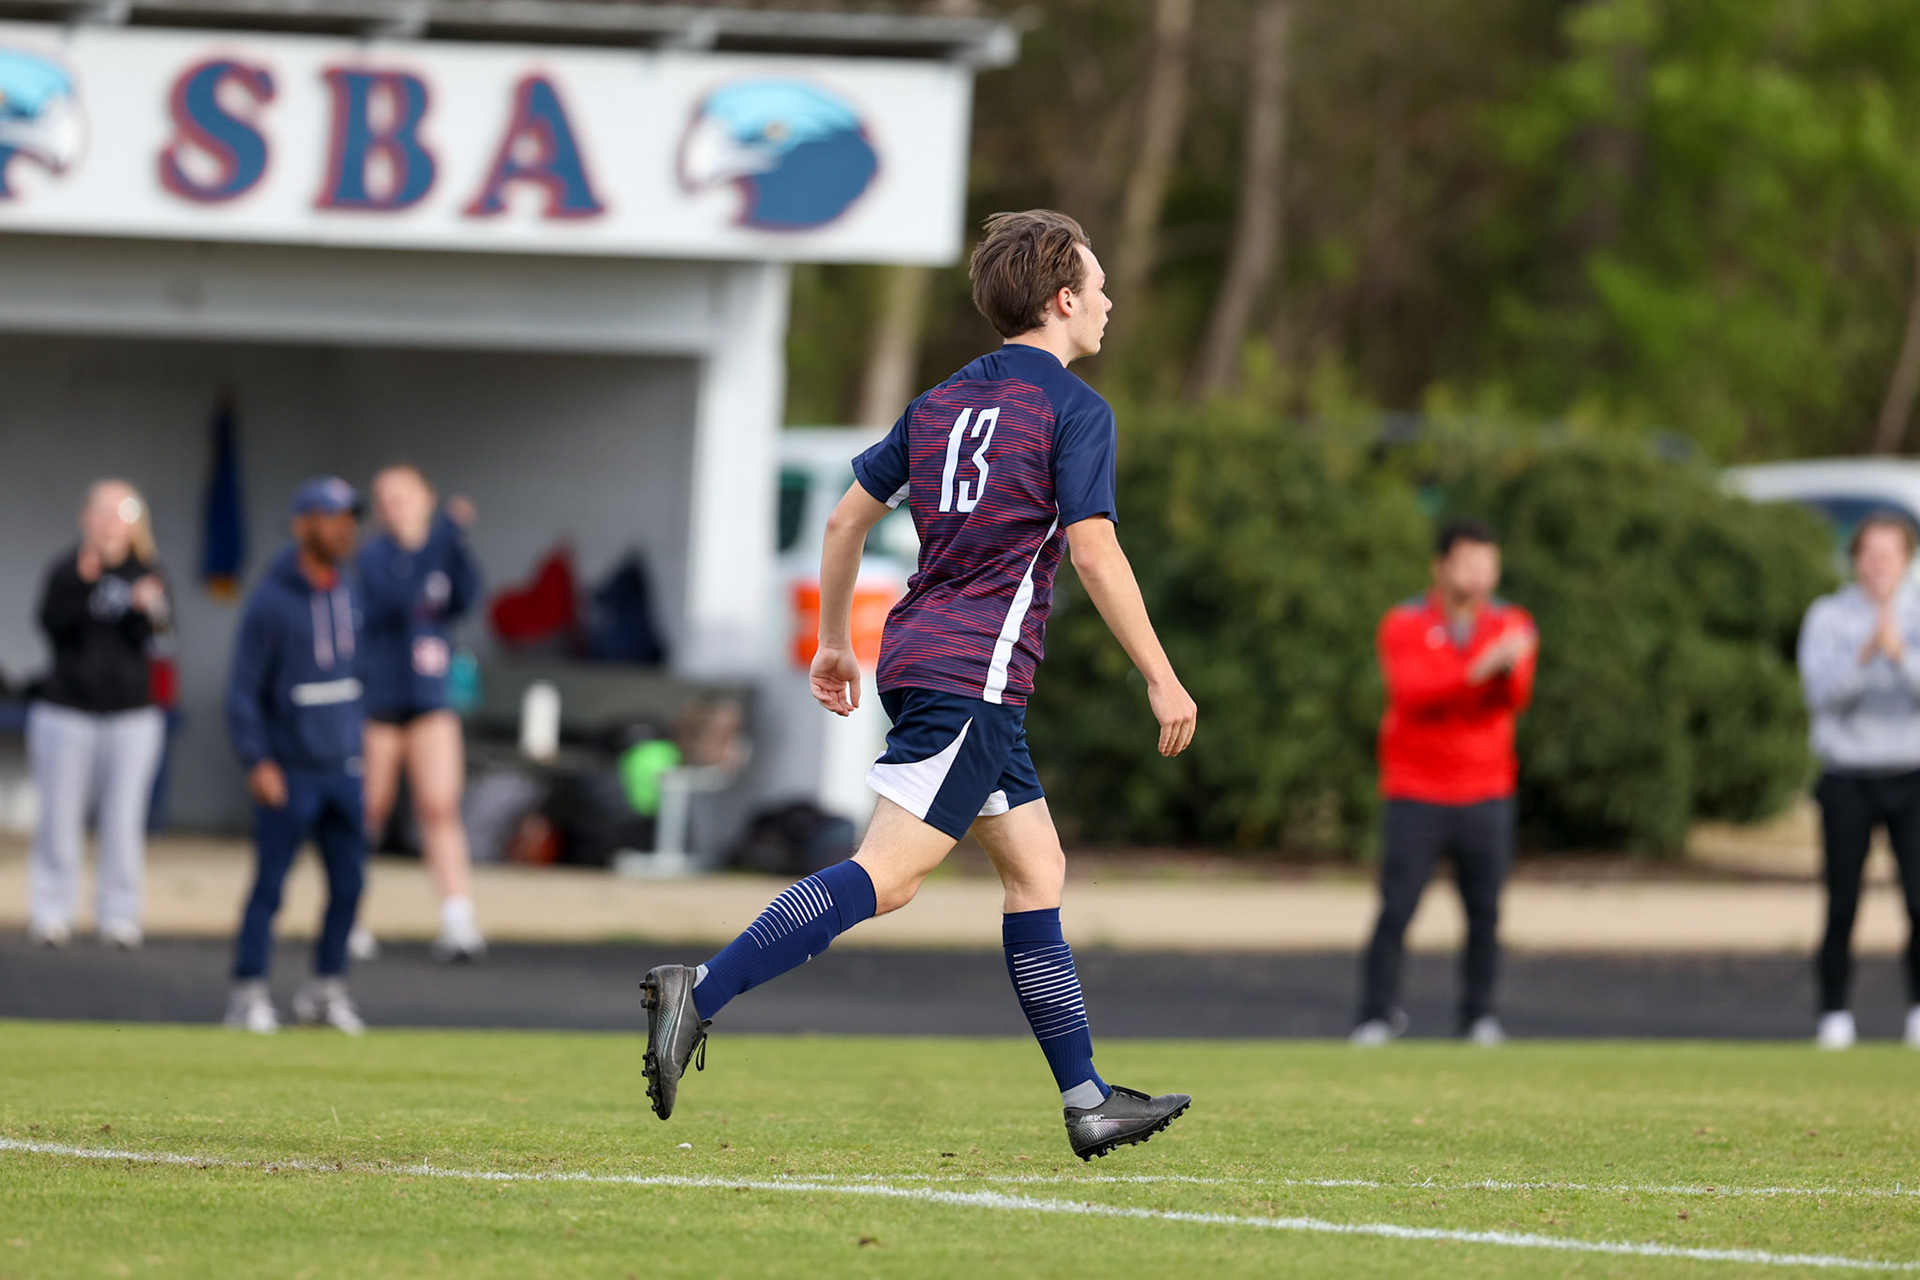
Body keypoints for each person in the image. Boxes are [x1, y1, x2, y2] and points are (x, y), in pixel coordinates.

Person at [639, 210, 1199, 1162]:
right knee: (887, 879)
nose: (1108, 303)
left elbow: (844, 523)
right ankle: (703, 986)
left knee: (1037, 872)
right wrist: (1163, 677)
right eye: (1099, 288)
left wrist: (832, 645)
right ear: (1064, 301)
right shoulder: (1074, 410)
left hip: (922, 660)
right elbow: (1095, 551)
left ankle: (1089, 1099)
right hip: (973, 676)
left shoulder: (941, 401)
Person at [1354, 519, 1537, 1048]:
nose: (1480, 574)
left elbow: (1516, 695)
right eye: (1468, 561)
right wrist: (1479, 668)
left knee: (1485, 913)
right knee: (1397, 908)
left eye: (1488, 561)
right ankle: (1375, 1016)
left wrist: (1500, 669)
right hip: (1416, 790)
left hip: (1487, 791)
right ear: (1441, 566)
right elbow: (1415, 693)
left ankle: (1479, 1017)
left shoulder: (1512, 621)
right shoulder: (1405, 622)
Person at [223, 477, 370, 1035]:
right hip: (290, 769)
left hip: (343, 768)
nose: (344, 527)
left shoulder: (350, 591)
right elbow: (243, 688)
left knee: (350, 885)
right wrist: (257, 759)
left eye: (349, 516)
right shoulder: (271, 600)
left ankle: (326, 990)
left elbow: (360, 680)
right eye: (332, 516)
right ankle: (247, 991)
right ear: (302, 523)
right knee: (271, 885)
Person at [26, 479, 170, 949]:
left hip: (130, 715)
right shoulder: (67, 569)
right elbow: (49, 625)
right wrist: (83, 582)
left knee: (123, 820)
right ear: (86, 518)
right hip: (67, 710)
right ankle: (52, 912)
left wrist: (148, 608)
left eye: (121, 513)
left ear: (134, 524)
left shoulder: (146, 572)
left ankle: (118, 914)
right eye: (102, 512)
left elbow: (163, 640)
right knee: (59, 819)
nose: (110, 522)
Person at [1796, 510, 1920, 1051]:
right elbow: (1819, 695)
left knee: (1919, 902)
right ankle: (1834, 1015)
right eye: (1869, 555)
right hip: (1846, 776)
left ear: (1907, 560)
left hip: (1912, 774)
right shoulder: (1828, 616)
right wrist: (1865, 656)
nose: (1878, 566)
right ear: (1854, 560)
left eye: (1889, 555)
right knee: (1842, 902)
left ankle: (1917, 1012)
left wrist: (1901, 656)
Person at [352, 464, 485, 962]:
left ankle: (457, 918)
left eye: (403, 495)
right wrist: (446, 533)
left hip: (429, 700)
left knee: (440, 806)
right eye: (384, 497)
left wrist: (453, 543)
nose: (394, 505)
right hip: (381, 702)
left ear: (426, 496)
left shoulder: (443, 551)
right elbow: (399, 596)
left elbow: (466, 595)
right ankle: (350, 917)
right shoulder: (373, 557)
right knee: (369, 810)